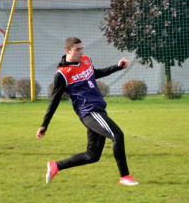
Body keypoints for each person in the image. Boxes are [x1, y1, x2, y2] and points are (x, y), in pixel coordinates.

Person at [37, 36, 138, 186]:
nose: (80, 52)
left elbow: (94, 73)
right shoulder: (62, 74)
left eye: (81, 48)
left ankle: (56, 166)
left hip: (98, 110)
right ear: (67, 51)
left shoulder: (86, 60)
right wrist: (45, 124)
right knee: (117, 135)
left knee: (92, 155)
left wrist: (117, 67)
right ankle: (124, 176)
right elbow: (55, 100)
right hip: (89, 112)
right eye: (77, 49)